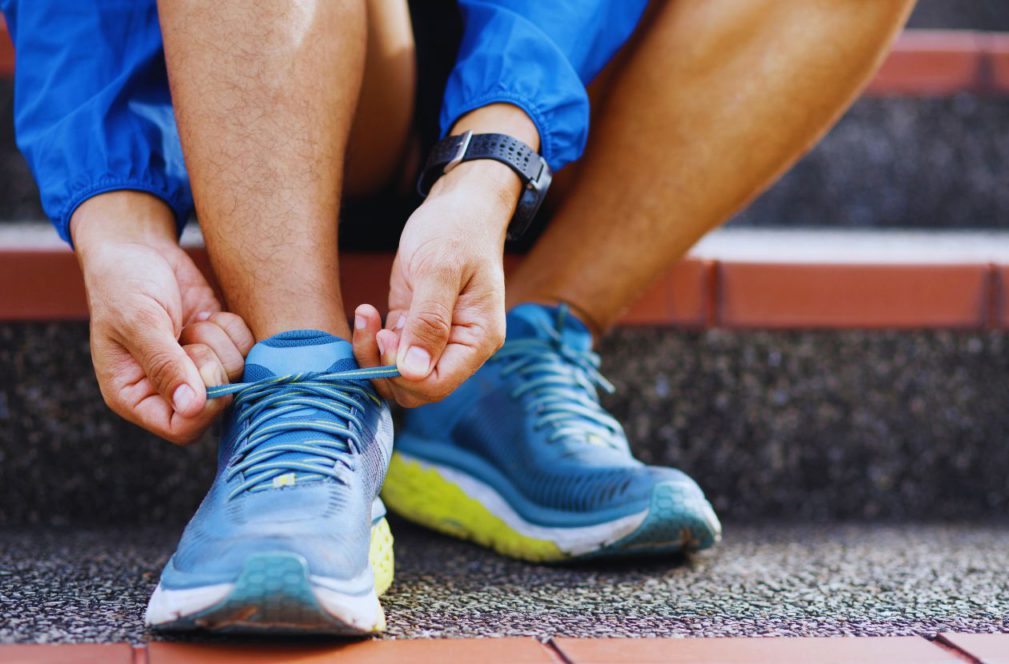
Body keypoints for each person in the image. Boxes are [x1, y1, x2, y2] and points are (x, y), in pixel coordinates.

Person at [3, 0, 914, 636]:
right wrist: (115, 215)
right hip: (279, 63)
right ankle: (305, 378)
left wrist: (491, 159)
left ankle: (514, 352)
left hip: (551, 74)